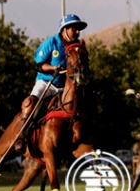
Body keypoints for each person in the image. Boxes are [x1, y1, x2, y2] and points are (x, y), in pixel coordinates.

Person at [12, 14, 88, 153]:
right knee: (29, 103)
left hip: (64, 87)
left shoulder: (75, 47)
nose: (77, 32)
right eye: (74, 28)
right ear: (64, 30)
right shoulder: (51, 43)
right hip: (46, 83)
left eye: (78, 29)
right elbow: (39, 65)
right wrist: (54, 68)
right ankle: (21, 137)